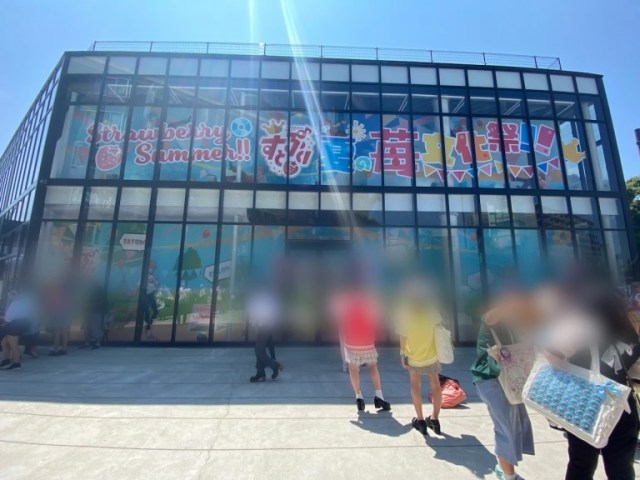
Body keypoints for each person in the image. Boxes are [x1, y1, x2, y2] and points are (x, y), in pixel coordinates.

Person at [541, 275, 640, 480]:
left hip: (587, 406)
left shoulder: (578, 324)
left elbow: (552, 355)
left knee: (581, 466)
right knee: (621, 470)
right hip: (622, 404)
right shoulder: (626, 326)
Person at [471, 297, 535, 480]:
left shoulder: (514, 326)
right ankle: (508, 476)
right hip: (491, 380)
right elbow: (489, 317)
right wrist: (512, 303)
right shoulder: (492, 321)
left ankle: (504, 470)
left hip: (510, 381)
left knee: (513, 425)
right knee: (505, 428)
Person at [331, 271, 390, 412]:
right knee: (372, 366)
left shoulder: (343, 300)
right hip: (367, 340)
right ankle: (379, 396)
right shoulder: (370, 299)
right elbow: (377, 317)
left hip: (351, 341)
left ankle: (358, 397)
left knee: (353, 369)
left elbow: (338, 317)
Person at [395, 277, 442, 435]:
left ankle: (420, 420)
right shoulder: (431, 309)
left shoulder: (404, 311)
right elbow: (438, 326)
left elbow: (403, 336)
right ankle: (435, 419)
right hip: (431, 354)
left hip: (413, 355)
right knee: (435, 385)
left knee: (415, 386)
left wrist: (403, 354)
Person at [246, 284, 283, 382]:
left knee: (258, 350)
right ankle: (261, 373)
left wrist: (258, 325)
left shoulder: (264, 300)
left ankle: (275, 366)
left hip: (264, 327)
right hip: (263, 327)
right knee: (260, 350)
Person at [1, 288, 35, 370]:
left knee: (13, 345)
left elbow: (8, 318)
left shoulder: (16, 304)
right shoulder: (23, 303)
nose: (10, 295)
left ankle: (16, 363)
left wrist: (1, 318)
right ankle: (6, 360)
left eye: (12, 294)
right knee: (4, 342)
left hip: (13, 326)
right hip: (18, 325)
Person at [143, 265, 159, 340]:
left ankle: (149, 328)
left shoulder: (154, 275)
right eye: (152, 265)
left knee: (155, 312)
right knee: (147, 312)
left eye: (153, 266)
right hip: (146, 294)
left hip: (151, 294)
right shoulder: (144, 274)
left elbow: (156, 284)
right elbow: (139, 284)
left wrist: (154, 281)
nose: (153, 267)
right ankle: (149, 333)